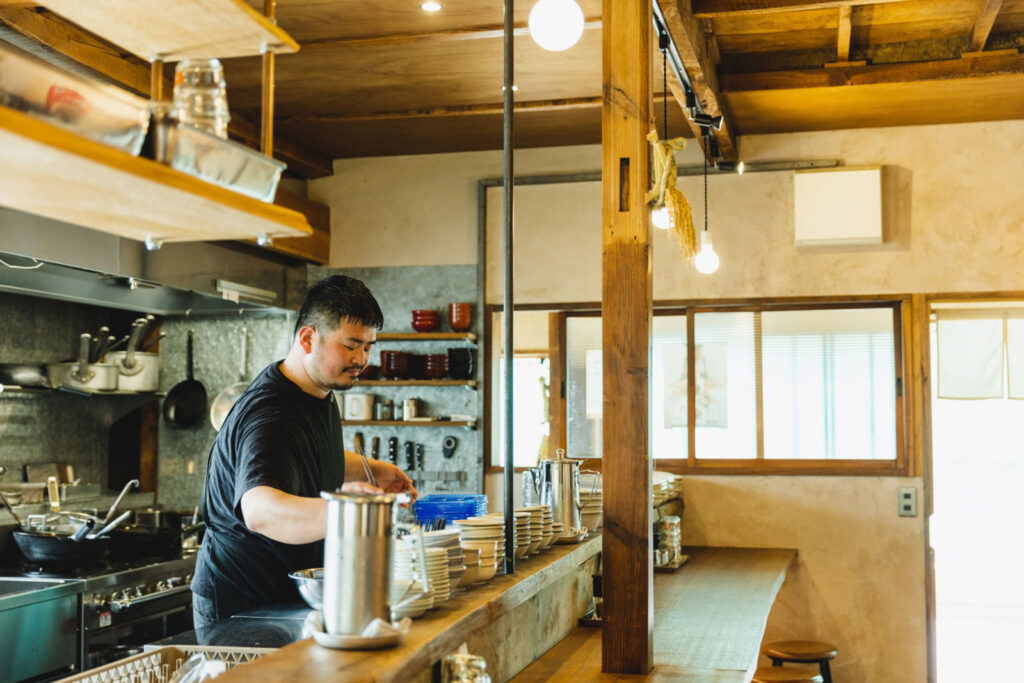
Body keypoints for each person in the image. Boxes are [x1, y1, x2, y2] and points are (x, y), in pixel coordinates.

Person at [190, 275, 417, 627]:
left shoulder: (316, 391)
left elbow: (305, 457)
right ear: (308, 338)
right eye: (351, 345)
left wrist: (374, 470)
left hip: (283, 597)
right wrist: (349, 513)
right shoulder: (272, 414)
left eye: (368, 347)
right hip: (244, 606)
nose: (362, 360)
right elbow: (260, 511)